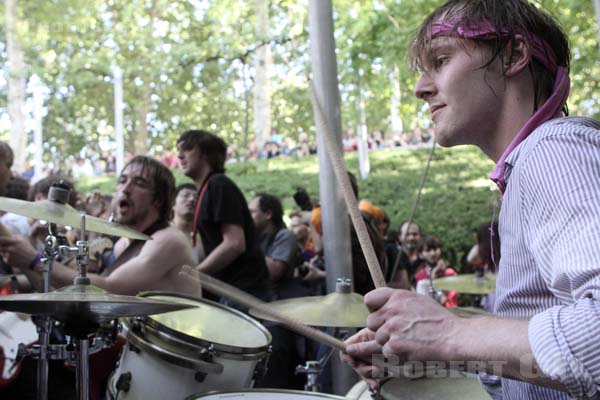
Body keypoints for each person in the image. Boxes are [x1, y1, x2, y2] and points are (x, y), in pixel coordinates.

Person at [341, 1, 600, 398]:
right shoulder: (530, 166)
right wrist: (432, 354)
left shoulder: (553, 151)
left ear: (514, 54)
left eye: (441, 60)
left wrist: (449, 334)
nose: (420, 89)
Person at [0, 156, 197, 296]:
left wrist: (35, 260)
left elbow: (107, 289)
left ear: (158, 200)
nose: (125, 189)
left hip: (172, 353)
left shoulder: (168, 240)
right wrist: (33, 254)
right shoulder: (124, 242)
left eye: (139, 183)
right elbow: (76, 286)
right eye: (122, 181)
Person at [176, 129, 270, 299]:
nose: (180, 156)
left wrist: (194, 275)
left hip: (244, 291)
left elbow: (234, 244)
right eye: (178, 152)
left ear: (205, 153)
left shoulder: (218, 184)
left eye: (187, 149)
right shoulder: (208, 189)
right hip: (230, 290)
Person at [172, 183, 204, 262]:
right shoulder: (160, 232)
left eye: (196, 197)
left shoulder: (205, 239)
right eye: (185, 195)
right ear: (173, 203)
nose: (192, 199)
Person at [387, 221, 423, 289]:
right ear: (400, 237)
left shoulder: (425, 260)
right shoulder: (390, 258)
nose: (411, 238)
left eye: (415, 234)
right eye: (407, 234)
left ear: (420, 236)